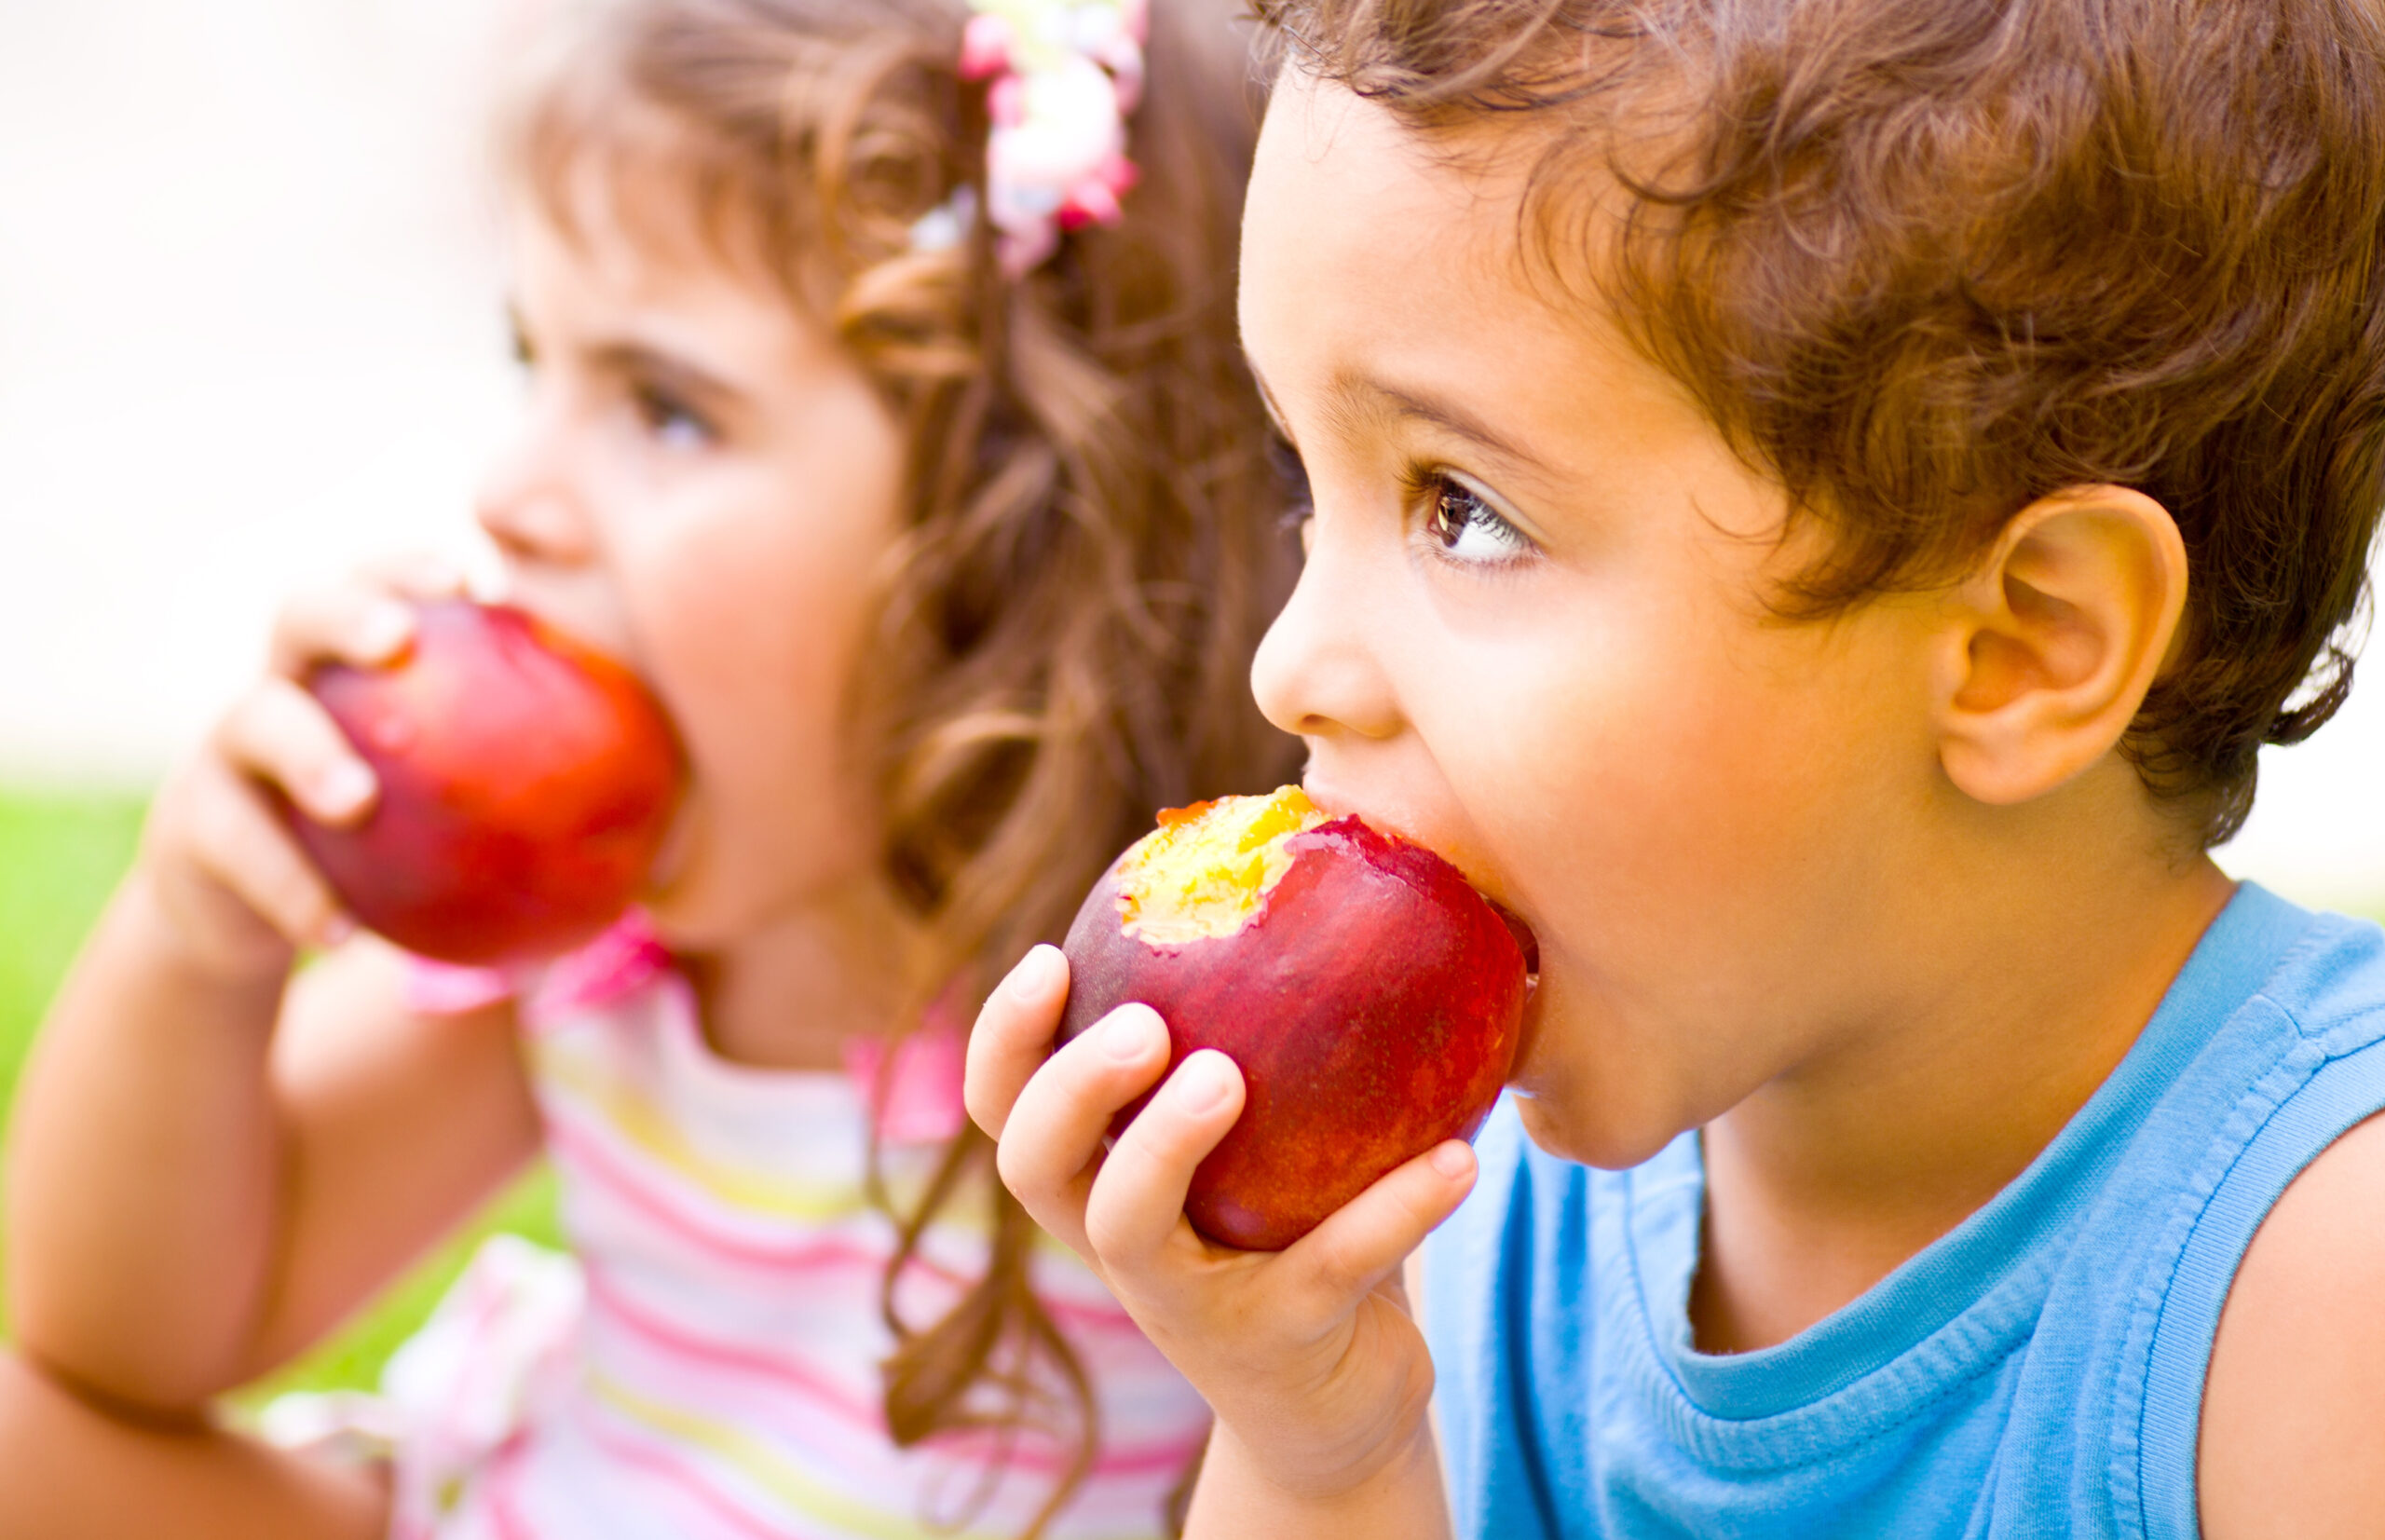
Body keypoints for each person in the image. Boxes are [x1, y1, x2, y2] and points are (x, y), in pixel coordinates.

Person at [964, 0, 2385, 1533]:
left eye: (1465, 509)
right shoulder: (1471, 1197)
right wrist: (1325, 1447)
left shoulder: (2313, 1286)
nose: (1288, 661)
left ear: (2020, 644)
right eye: (1306, 483)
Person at [0, 1, 1297, 1536]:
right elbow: (118, 1338)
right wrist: (193, 941)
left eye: (666, 408)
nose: (512, 489)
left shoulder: (1173, 1052)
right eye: (531, 359)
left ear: (1018, 550)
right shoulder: (601, 948)